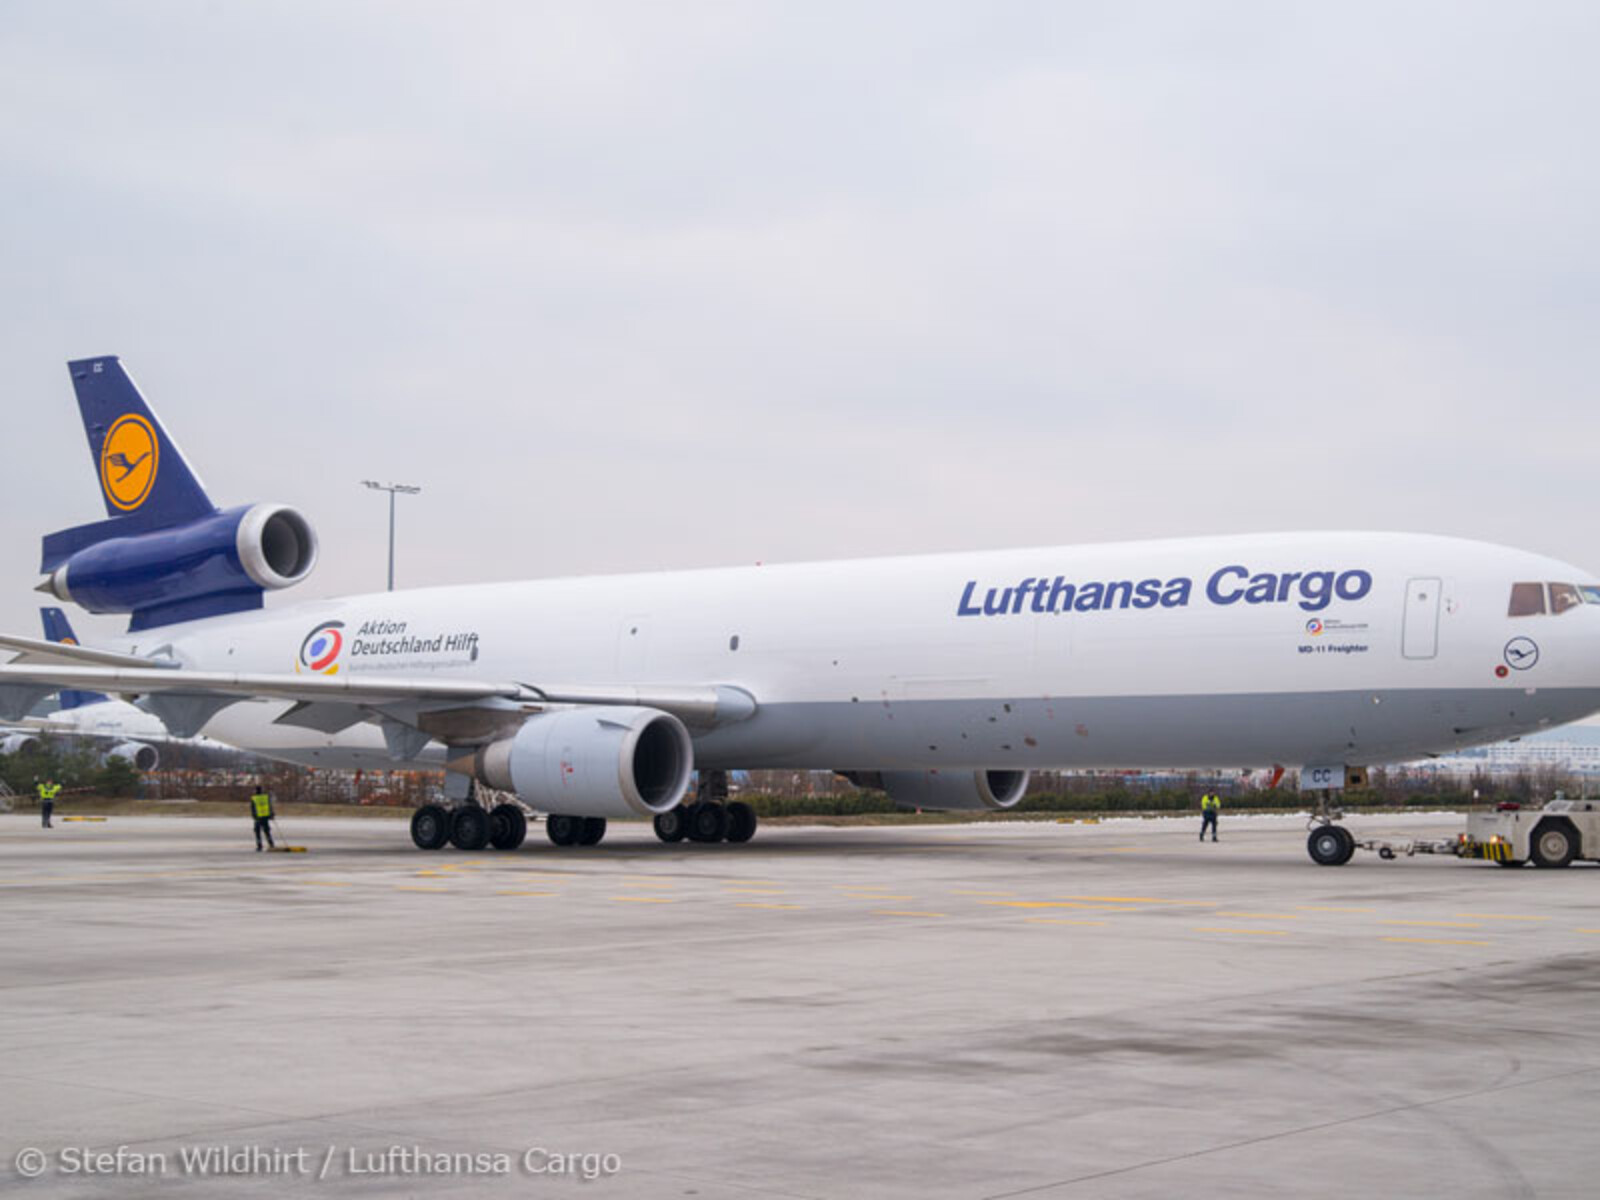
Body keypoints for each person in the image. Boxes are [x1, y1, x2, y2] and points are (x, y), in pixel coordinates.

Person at [250, 782, 275, 851]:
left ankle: (259, 846)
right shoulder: (266, 797)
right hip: (265, 817)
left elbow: (253, 808)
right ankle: (271, 844)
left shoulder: (254, 798)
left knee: (257, 832)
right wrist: (272, 814)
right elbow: (270, 806)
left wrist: (254, 816)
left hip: (258, 817)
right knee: (267, 832)